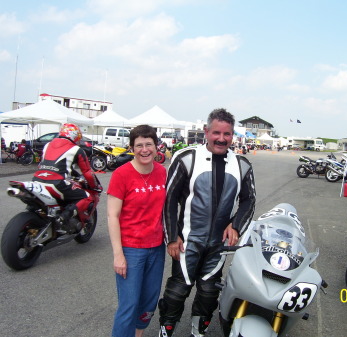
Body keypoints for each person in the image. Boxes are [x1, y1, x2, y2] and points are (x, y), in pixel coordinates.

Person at [158, 108, 256, 337]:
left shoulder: (241, 164)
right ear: (206, 131)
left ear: (233, 135)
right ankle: (166, 331)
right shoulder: (186, 158)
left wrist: (236, 225)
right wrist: (172, 237)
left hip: (217, 245)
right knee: (177, 290)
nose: (221, 139)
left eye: (227, 134)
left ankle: (197, 332)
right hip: (187, 241)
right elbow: (169, 200)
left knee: (209, 292)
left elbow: (249, 200)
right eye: (216, 133)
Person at [107, 124, 166, 337]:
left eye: (148, 144)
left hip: (156, 248)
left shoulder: (162, 172)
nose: (144, 149)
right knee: (129, 305)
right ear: (132, 148)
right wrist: (118, 255)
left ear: (156, 146)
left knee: (149, 302)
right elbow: (112, 216)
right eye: (139, 145)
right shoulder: (122, 174)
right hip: (131, 249)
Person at [32, 123, 100, 232]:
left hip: (37, 181)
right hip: (57, 183)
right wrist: (95, 186)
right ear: (74, 135)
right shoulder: (76, 149)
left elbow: (45, 164)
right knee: (87, 197)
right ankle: (64, 217)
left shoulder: (47, 145)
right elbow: (87, 172)